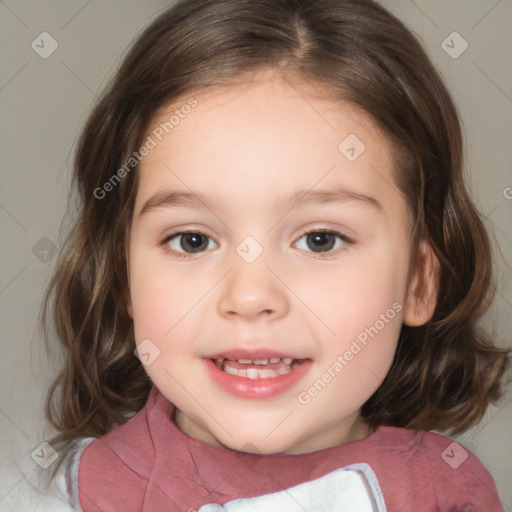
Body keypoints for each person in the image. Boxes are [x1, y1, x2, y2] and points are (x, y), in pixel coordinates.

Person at [39, 0, 509, 510]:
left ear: (418, 282)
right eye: (192, 240)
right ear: (122, 275)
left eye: (320, 239)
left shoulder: (446, 493)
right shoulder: (67, 494)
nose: (250, 296)